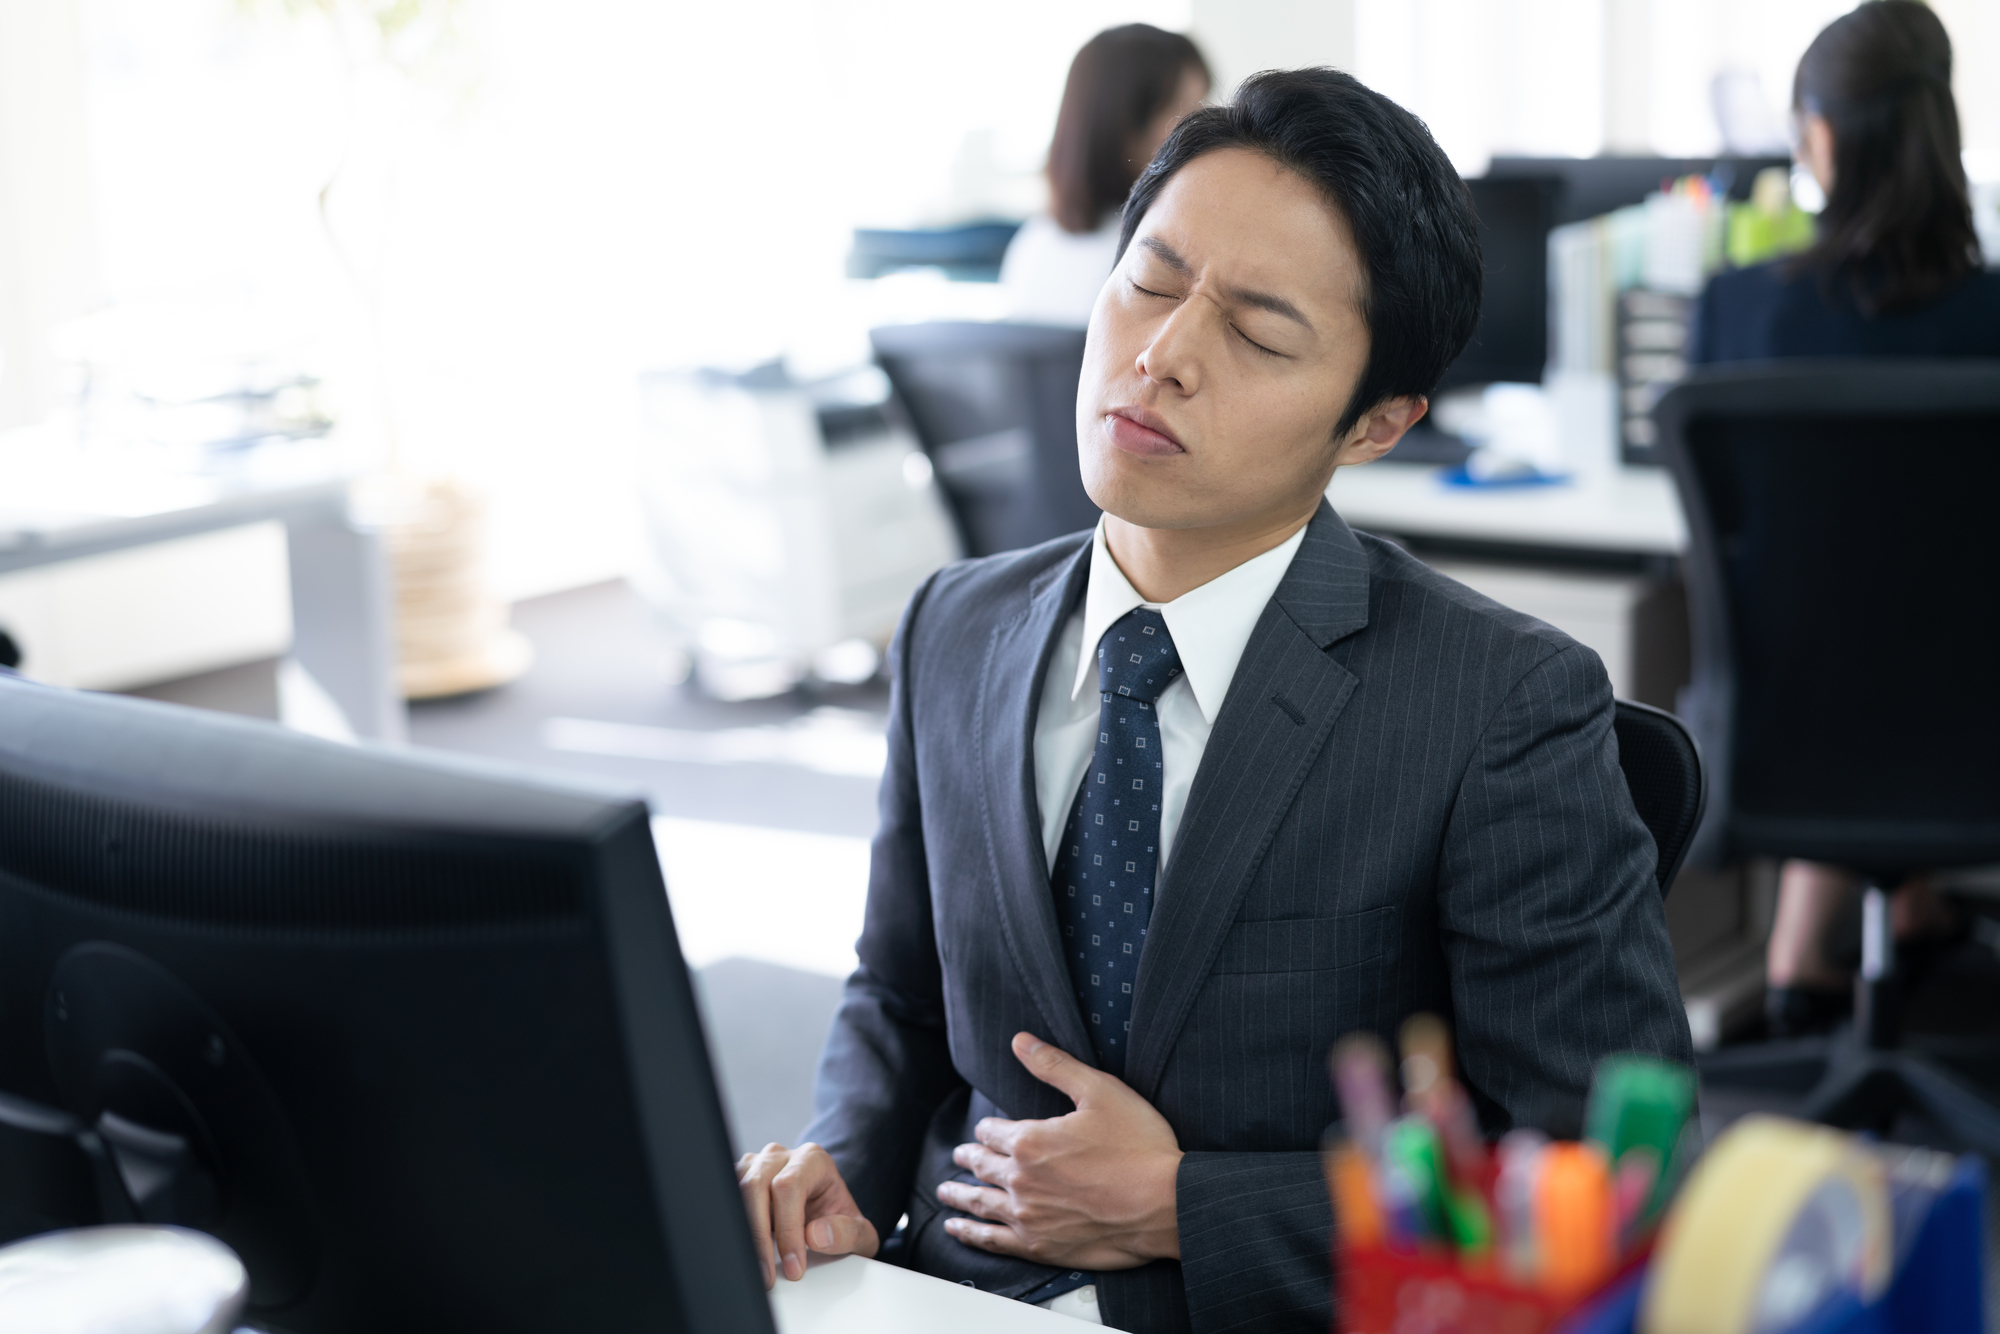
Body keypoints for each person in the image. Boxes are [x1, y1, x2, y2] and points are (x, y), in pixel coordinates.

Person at [741, 69, 1692, 1332]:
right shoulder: (952, 628)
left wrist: (1183, 1202)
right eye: (1147, 277)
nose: (1161, 353)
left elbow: (1607, 1186)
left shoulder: (1496, 706)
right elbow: (901, 995)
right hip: (953, 1291)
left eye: (1256, 333)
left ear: (1376, 423)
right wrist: (839, 1166)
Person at [1689, 0, 2000, 1037]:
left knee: (1835, 630)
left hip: (1786, 734)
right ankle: (1896, 917)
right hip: (1970, 742)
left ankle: (1808, 952)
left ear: (1817, 137)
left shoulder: (1736, 309)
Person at [999, 26, 1210, 326]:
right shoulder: (1153, 259)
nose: (1206, 134)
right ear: (1125, 127)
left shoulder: (1032, 244)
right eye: (1188, 113)